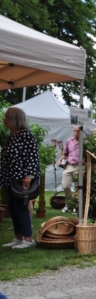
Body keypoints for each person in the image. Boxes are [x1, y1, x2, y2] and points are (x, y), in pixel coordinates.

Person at [1, 107, 40, 249]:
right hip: (10, 178)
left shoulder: (26, 136)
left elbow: (32, 157)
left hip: (21, 178)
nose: (4, 119)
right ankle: (18, 237)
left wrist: (28, 176)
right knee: (12, 207)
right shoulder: (11, 136)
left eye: (7, 117)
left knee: (21, 207)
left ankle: (28, 239)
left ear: (15, 119)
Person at [57, 126, 80, 213]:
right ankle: (69, 204)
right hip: (69, 165)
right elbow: (66, 154)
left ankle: (75, 206)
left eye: (78, 131)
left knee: (78, 187)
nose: (76, 133)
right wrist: (60, 159)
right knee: (65, 185)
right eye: (74, 131)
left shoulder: (84, 143)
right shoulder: (69, 141)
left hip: (79, 166)